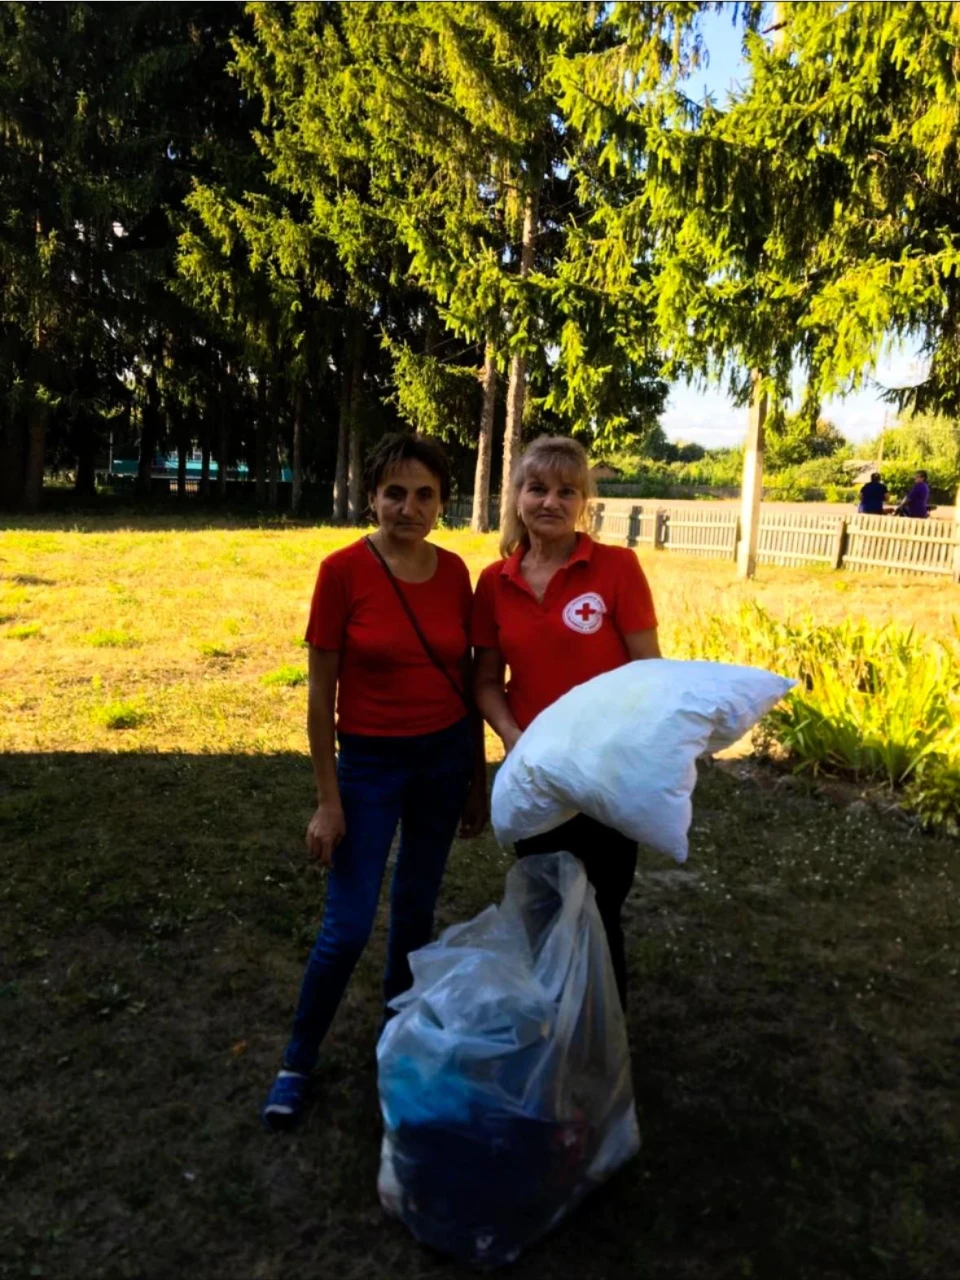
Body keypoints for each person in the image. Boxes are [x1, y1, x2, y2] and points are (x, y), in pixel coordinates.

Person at [262, 432, 487, 1130]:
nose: (408, 508)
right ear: (372, 497)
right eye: (395, 493)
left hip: (445, 759)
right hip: (369, 766)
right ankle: (298, 1060)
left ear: (442, 503)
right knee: (348, 926)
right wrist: (329, 803)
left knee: (415, 915)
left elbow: (471, 681)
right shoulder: (341, 572)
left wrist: (476, 779)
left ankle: (398, 1040)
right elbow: (319, 699)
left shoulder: (457, 575)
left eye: (424, 495)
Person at [472, 435, 659, 1008]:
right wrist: (511, 736)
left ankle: (599, 1054)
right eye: (537, 488)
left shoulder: (617, 569)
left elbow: (648, 672)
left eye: (566, 491)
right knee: (547, 907)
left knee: (601, 911)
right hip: (538, 775)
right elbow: (484, 682)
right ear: (518, 498)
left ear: (584, 502)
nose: (549, 501)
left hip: (607, 777)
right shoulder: (493, 582)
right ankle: (549, 1034)